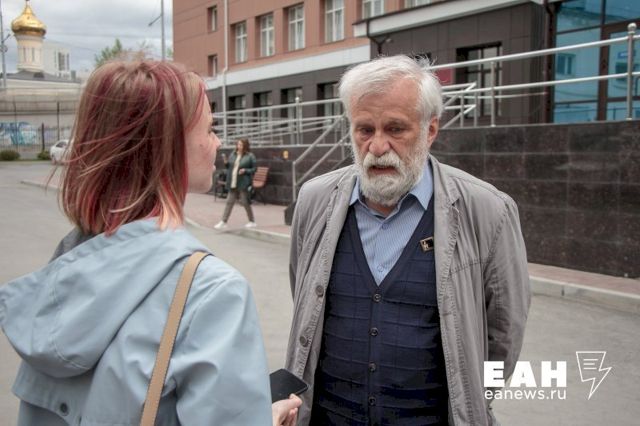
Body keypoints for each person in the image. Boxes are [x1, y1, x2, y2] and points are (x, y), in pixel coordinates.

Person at [0, 61, 300, 425]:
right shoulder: (211, 292)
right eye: (210, 128)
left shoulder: (68, 263)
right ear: (169, 146)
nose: (218, 142)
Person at [285, 55, 530, 425]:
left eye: (395, 129)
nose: (377, 146)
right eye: (364, 130)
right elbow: (305, 298)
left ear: (430, 130)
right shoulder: (314, 200)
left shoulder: (488, 211)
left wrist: (471, 401)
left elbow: (504, 334)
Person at [214, 138, 257, 229]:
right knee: (229, 202)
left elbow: (254, 169)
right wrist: (226, 162)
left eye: (241, 145)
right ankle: (223, 221)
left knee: (245, 202)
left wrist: (245, 170)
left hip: (243, 183)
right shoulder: (233, 154)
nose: (239, 146)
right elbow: (229, 166)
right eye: (238, 144)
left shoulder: (250, 156)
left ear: (245, 146)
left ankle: (252, 221)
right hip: (233, 182)